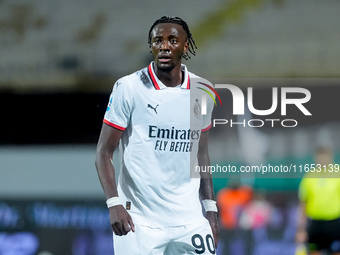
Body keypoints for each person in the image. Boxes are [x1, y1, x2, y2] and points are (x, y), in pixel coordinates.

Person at [95, 16, 219, 254]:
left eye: (173, 40)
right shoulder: (129, 88)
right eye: (157, 40)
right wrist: (114, 203)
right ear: (151, 45)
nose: (164, 46)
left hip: (190, 219)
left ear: (185, 46)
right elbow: (103, 152)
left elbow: (201, 154)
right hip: (139, 221)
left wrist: (210, 210)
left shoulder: (202, 91)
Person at [296, 147, 340, 255]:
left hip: (334, 221)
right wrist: (301, 228)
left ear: (331, 156)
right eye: (320, 156)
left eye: (325, 156)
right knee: (314, 252)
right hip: (316, 223)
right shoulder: (309, 177)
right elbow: (303, 203)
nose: (323, 159)